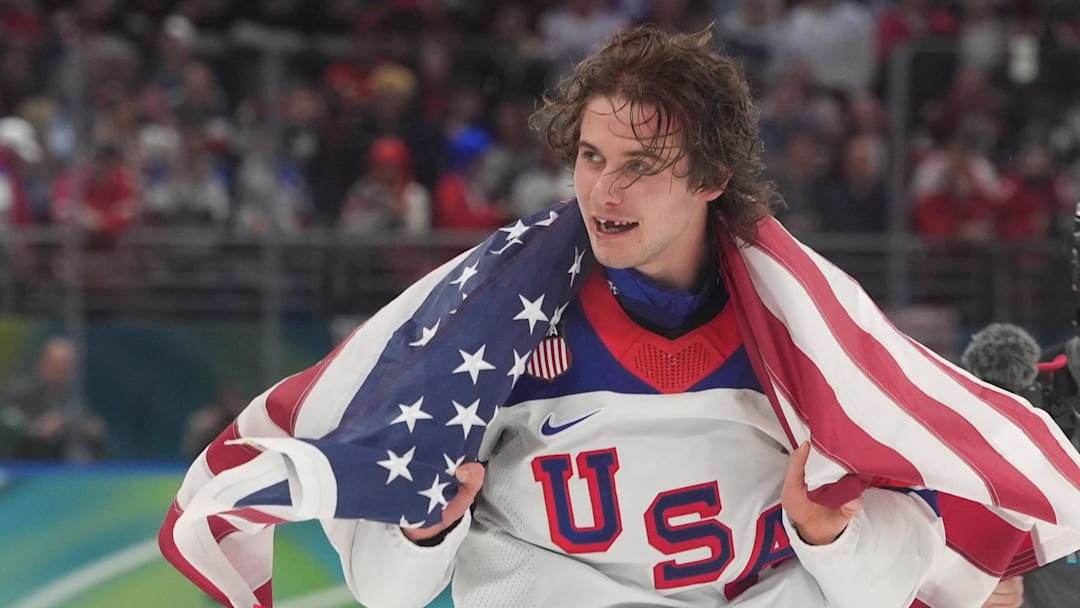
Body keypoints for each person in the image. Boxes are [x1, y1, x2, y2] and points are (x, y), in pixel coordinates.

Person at [161, 27, 1080, 608]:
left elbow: (887, 591)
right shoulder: (495, 329)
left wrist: (829, 532)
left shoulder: (809, 346)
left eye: (639, 163)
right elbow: (391, 595)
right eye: (591, 156)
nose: (603, 187)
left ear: (712, 178)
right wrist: (425, 527)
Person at [0, 336, 107, 461]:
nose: (61, 371)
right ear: (43, 362)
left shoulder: (73, 396)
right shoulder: (19, 390)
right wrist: (33, 428)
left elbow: (85, 429)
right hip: (21, 465)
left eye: (66, 366)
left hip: (61, 468)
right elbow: (6, 419)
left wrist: (89, 429)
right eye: (56, 365)